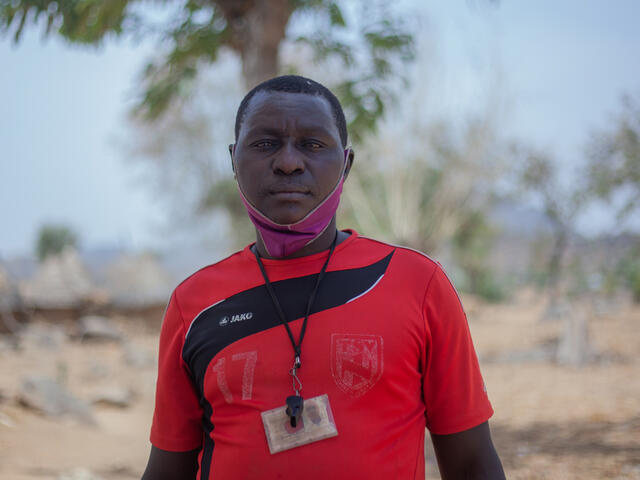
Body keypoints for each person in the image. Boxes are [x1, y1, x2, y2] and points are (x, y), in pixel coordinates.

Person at [141, 75, 505, 480]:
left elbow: (473, 463)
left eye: (313, 145)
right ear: (233, 160)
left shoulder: (417, 284)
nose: (289, 162)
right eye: (265, 144)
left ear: (346, 164)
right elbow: (166, 471)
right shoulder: (193, 302)